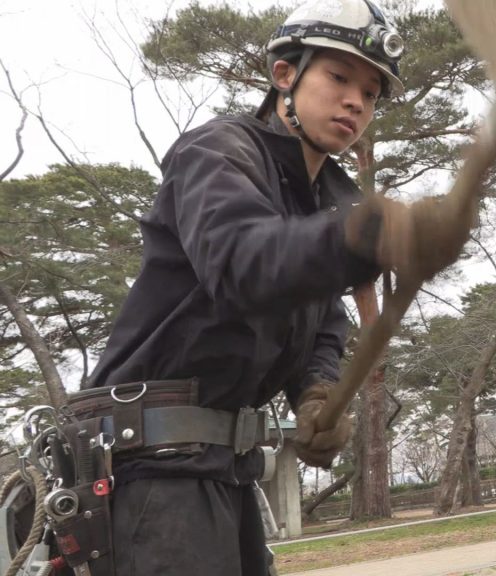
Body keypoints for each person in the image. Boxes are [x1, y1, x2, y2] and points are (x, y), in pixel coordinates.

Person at [72, 1, 434, 574]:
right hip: (153, 469)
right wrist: (357, 238)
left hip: (225, 469)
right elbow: (242, 264)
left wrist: (316, 391)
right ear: (284, 74)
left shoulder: (324, 204)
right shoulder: (217, 153)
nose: (355, 103)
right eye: (339, 77)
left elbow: (323, 323)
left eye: (370, 93)